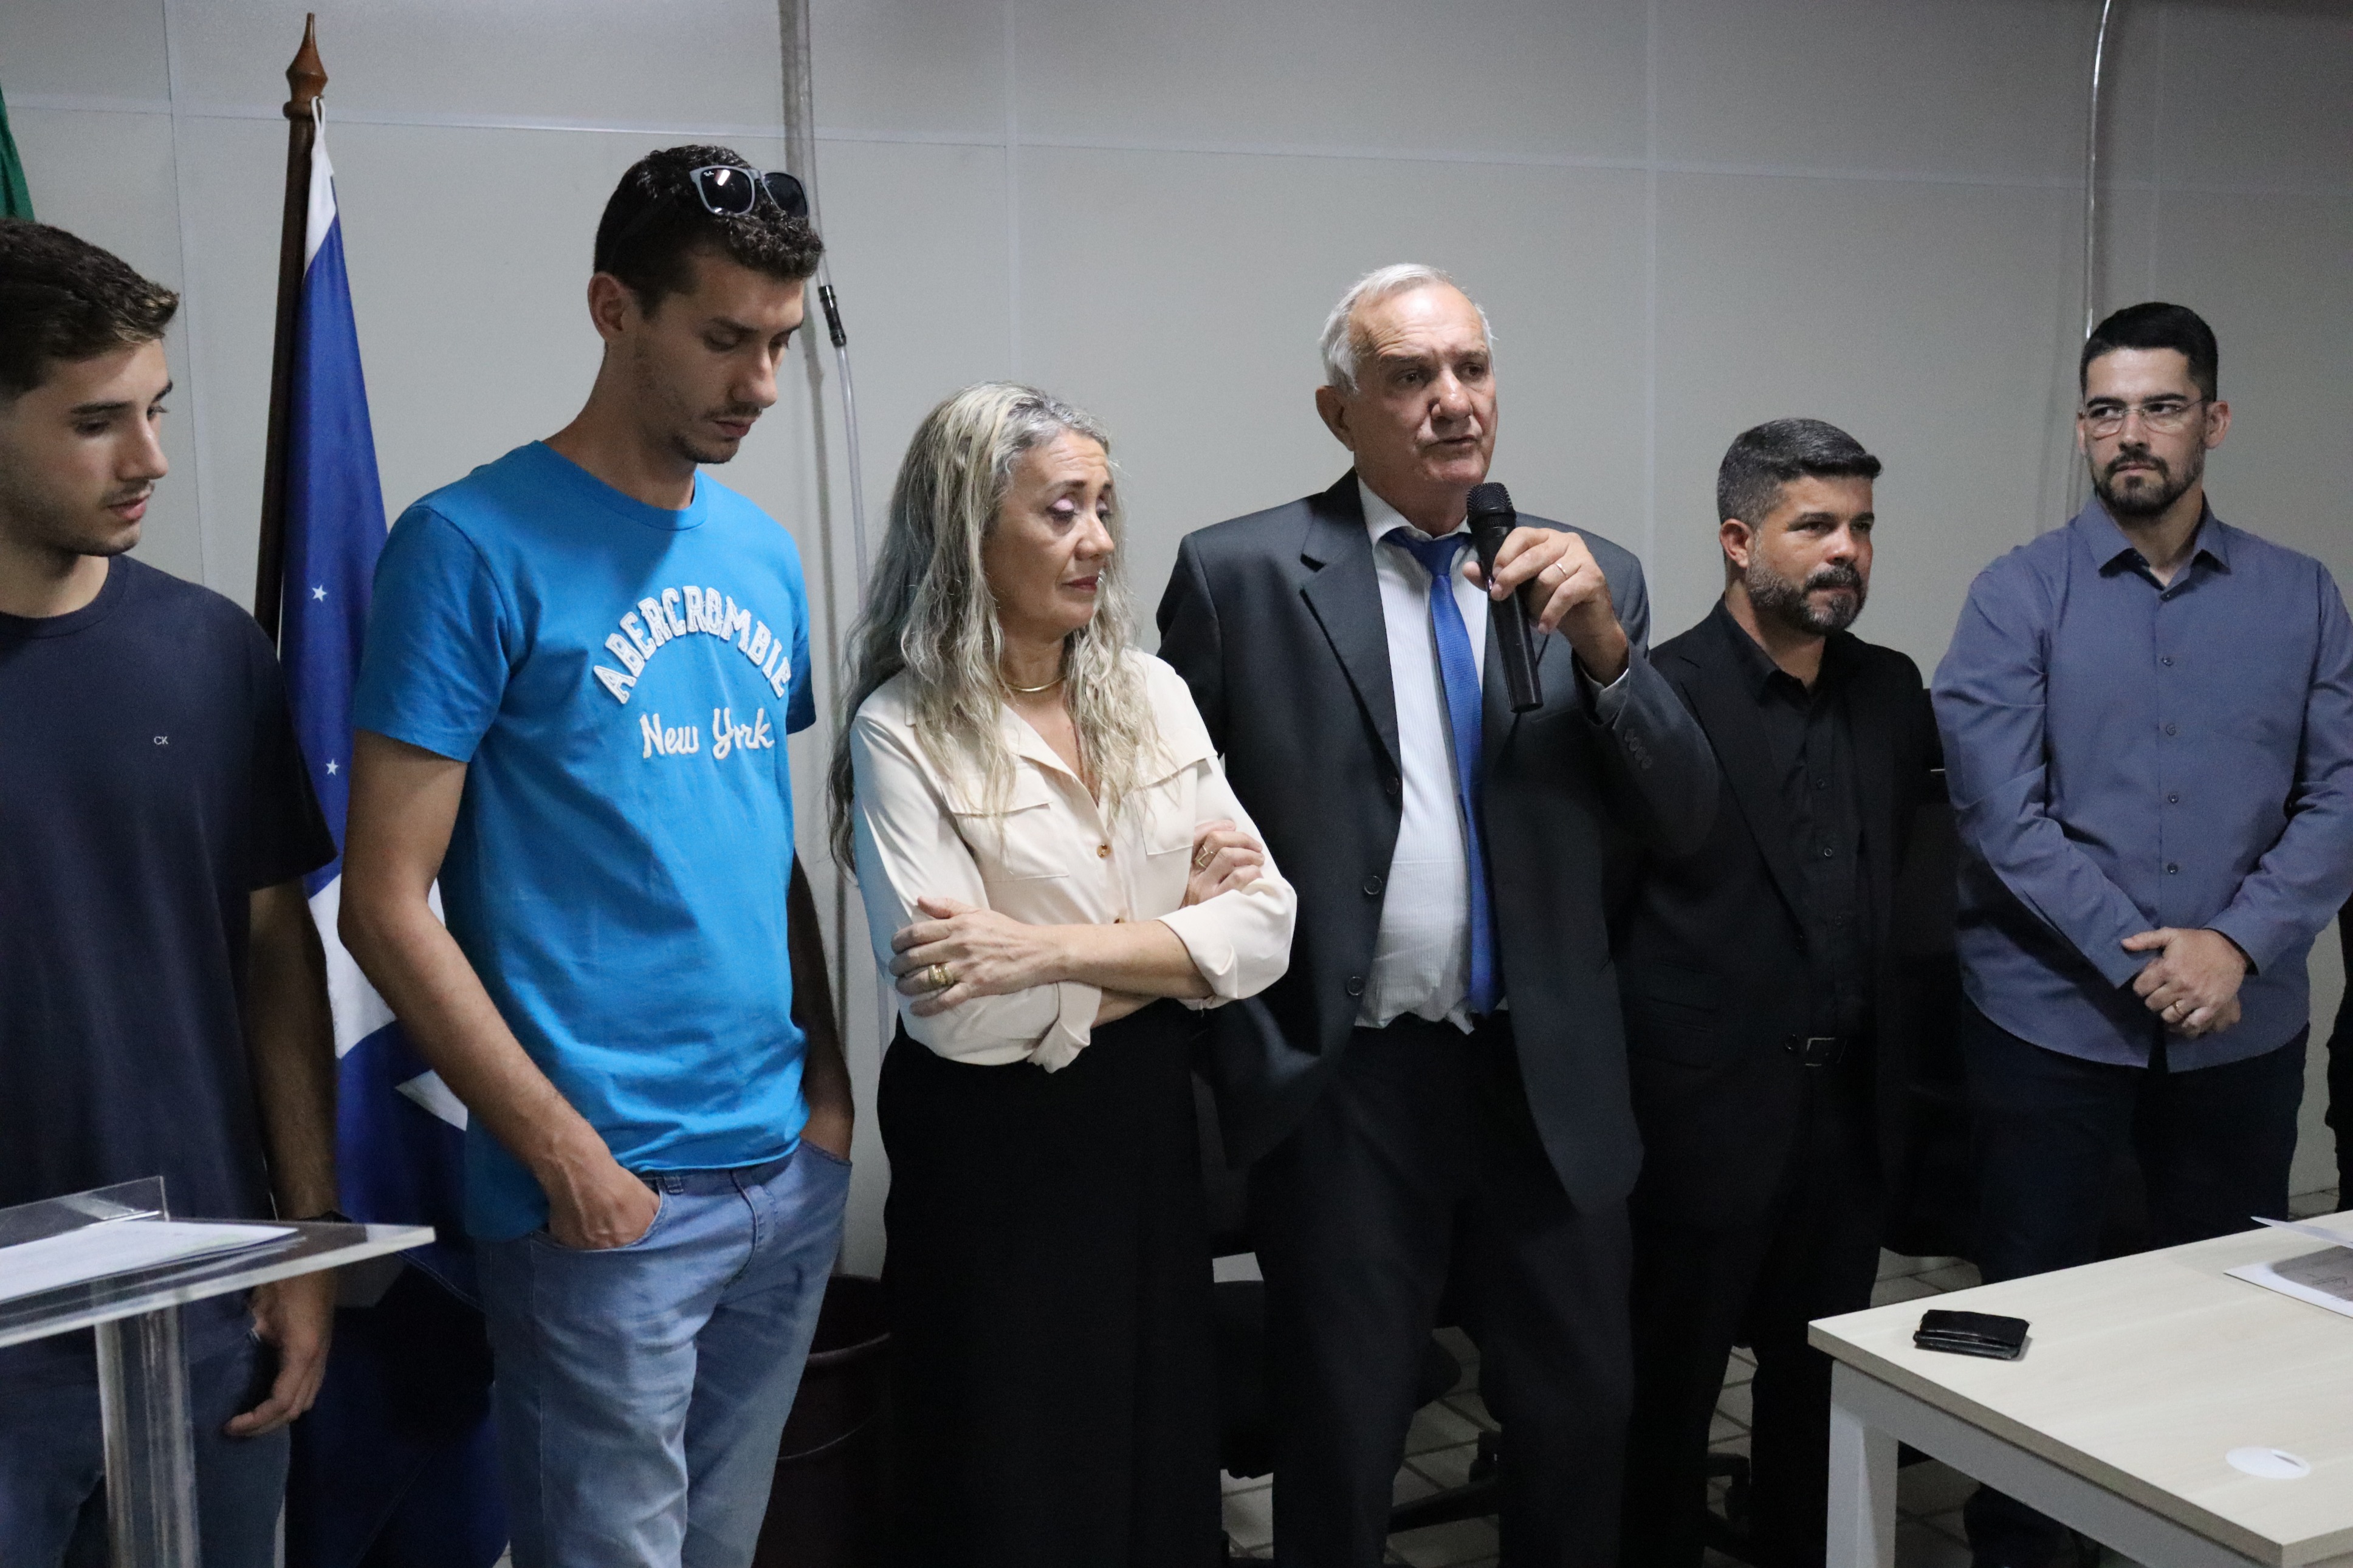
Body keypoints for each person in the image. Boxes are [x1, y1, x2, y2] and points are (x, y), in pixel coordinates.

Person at [339, 147, 853, 1568]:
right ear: (613, 309)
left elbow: (760, 844)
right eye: (726, 339)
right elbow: (384, 902)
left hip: (781, 1169)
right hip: (603, 1197)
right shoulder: (467, 545)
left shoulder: (761, 553)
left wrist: (827, 1095)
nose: (760, 384)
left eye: (781, 344)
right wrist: (565, 1155)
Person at [1157, 264, 1718, 1566]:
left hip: (1544, 1075)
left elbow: (1687, 820)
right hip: (1348, 1083)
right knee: (1343, 1434)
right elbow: (1160, 830)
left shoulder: (1589, 576)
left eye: (1471, 369)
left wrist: (1608, 652)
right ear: (1339, 411)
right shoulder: (1241, 576)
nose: (1452, 401)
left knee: (1579, 1421)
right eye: (1410, 377)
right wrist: (1239, 1038)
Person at [835, 382, 1296, 1568]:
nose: (1096, 539)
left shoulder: (1149, 693)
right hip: (990, 1158)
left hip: (1139, 1134)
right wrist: (1174, 948)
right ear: (967, 533)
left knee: (1153, 1462)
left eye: (1102, 507)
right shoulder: (900, 728)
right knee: (1014, 1481)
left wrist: (1043, 948)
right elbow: (962, 1015)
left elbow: (1266, 929)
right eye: (1059, 511)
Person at [1934, 301, 2353, 1568]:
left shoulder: (2300, 595)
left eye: (2161, 407)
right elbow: (2000, 813)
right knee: (2039, 1318)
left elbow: (2340, 793)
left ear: (2211, 421)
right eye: (2106, 410)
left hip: (2240, 1031)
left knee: (2227, 1316)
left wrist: (2235, 946)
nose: (2132, 434)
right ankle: (2026, 1548)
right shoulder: (2015, 595)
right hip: (2050, 1030)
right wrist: (2156, 959)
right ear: (2081, 428)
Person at [0, 221, 340, 1565]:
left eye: (157, 409)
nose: (149, 457)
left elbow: (275, 952)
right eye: (97, 422)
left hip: (202, 1307)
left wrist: (305, 1239)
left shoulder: (213, 652)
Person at [1613, 420, 1941, 1568]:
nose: (1846, 550)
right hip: (1701, 1119)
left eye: (1861, 527)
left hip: (1846, 1118)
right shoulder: (1660, 693)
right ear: (1739, 539)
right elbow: (1612, 919)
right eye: (1815, 526)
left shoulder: (1892, 690)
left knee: (1818, 1399)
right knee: (1665, 1405)